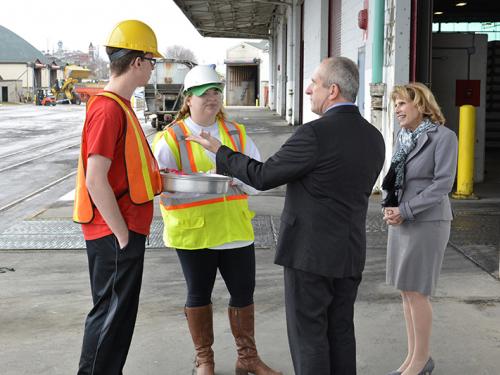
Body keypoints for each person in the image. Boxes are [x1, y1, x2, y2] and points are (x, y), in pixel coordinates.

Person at [187, 57, 385, 375]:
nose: (308, 90)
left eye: (315, 83)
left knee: (310, 338)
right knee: (342, 333)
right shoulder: (374, 137)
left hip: (310, 256)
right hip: (350, 253)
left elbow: (263, 175)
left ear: (332, 90)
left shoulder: (315, 135)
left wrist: (219, 150)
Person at [152, 65, 282, 375]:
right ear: (188, 99)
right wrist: (196, 182)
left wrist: (236, 178)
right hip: (193, 232)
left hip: (234, 229)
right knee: (199, 294)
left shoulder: (236, 133)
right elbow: (159, 185)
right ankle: (204, 361)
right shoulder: (172, 138)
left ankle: (247, 358)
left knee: (243, 293)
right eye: (204, 94)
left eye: (216, 93)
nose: (212, 99)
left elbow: (256, 179)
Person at [73, 19, 163, 375]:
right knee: (110, 315)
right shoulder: (109, 108)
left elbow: (122, 169)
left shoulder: (120, 106)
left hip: (121, 230)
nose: (154, 67)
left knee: (118, 316)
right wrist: (122, 235)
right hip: (115, 232)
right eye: (151, 60)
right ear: (137, 63)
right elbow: (96, 179)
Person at [381, 83, 458, 375]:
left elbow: (442, 185)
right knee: (406, 291)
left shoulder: (444, 138)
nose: (397, 109)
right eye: (396, 104)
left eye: (402, 103)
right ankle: (412, 357)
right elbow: (398, 177)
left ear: (421, 105)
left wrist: (406, 210)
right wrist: (391, 206)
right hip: (402, 218)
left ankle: (422, 359)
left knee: (417, 292)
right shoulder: (403, 136)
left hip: (427, 221)